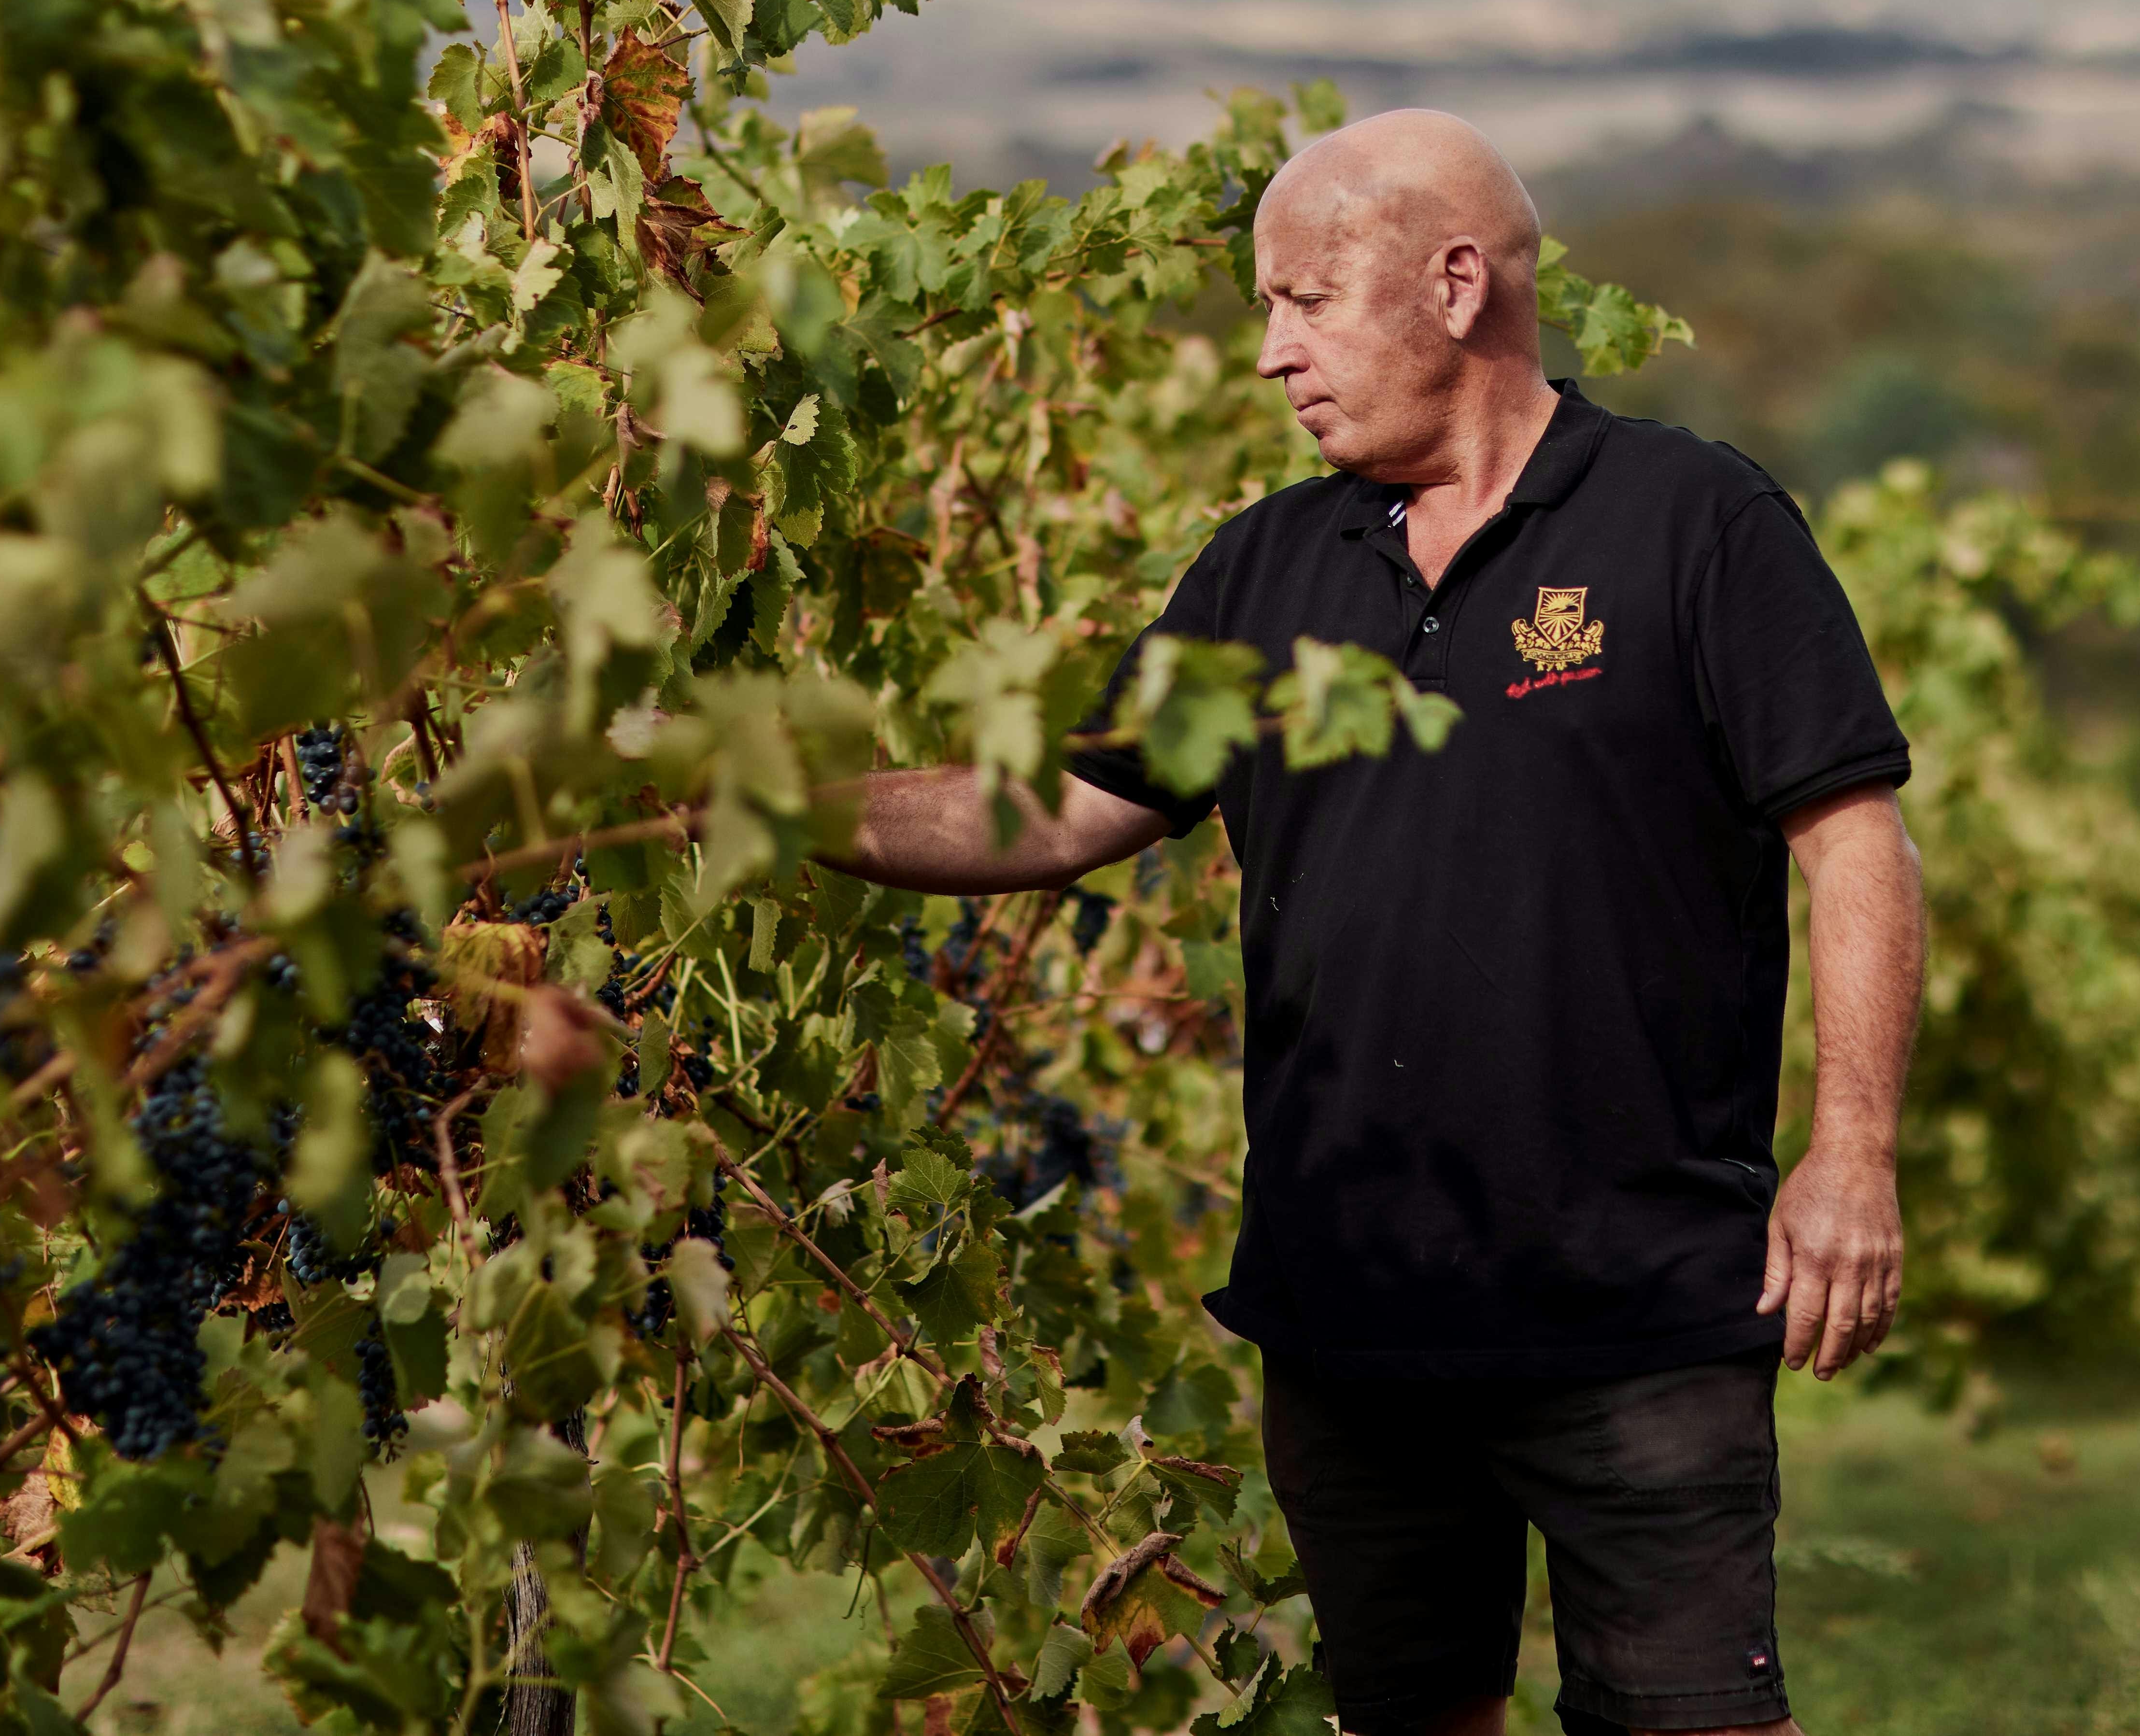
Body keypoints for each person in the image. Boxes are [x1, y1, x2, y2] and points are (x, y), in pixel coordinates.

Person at [822, 108, 1928, 1736]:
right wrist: (772, 796)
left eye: (1304, 301)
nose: (1270, 355)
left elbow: (1854, 839)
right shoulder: (1262, 570)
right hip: (1348, 1318)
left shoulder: (1693, 526)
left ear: (1458, 284)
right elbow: (1053, 811)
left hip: (1637, 1308)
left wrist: (1853, 1151)